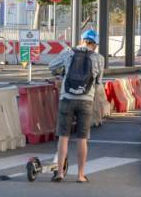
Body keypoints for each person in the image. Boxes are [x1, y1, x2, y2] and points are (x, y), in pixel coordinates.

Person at [48, 29, 104, 183]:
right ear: (96, 44)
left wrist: (62, 74)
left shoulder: (68, 53)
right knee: (82, 138)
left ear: (82, 40)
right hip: (86, 101)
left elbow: (51, 66)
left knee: (63, 137)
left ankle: (60, 173)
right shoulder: (98, 58)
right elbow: (99, 82)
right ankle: (80, 175)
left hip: (66, 98)